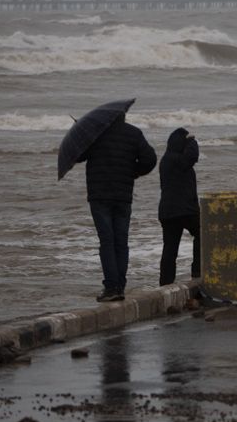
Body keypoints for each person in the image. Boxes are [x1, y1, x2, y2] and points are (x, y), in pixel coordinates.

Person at [78, 112, 156, 302]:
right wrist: (135, 172)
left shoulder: (95, 134)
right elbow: (150, 159)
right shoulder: (134, 133)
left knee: (107, 241)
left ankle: (111, 287)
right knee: (121, 241)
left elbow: (78, 156)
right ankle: (120, 286)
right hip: (123, 196)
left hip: (100, 196)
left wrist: (82, 134)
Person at [158, 127, 201, 286]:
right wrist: (192, 141)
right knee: (201, 234)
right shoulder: (176, 160)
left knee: (170, 249)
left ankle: (165, 283)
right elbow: (192, 157)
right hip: (184, 210)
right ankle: (197, 271)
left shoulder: (167, 160)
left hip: (168, 212)